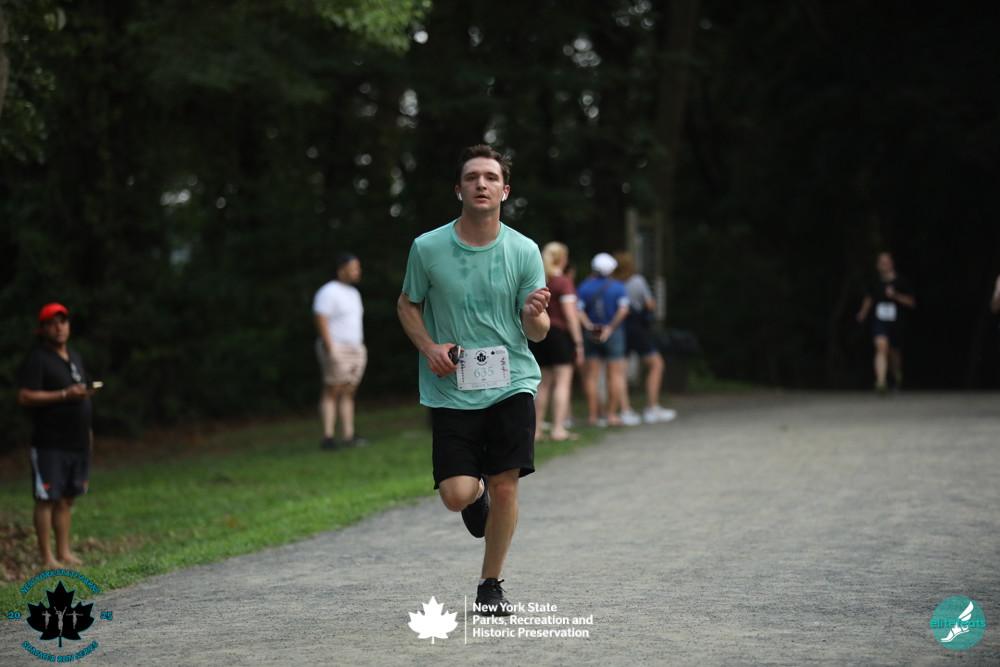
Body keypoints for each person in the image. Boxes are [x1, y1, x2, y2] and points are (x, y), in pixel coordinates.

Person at [396, 144, 550, 616]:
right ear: (458, 190)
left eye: (490, 177)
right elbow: (407, 304)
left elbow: (538, 333)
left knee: (506, 486)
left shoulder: (523, 250)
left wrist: (533, 314)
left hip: (511, 381)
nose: (481, 184)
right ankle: (476, 494)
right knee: (456, 494)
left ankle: (490, 585)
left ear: (505, 190)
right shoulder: (427, 248)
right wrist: (429, 347)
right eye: (471, 177)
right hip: (452, 385)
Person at [17, 303, 97, 569]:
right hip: (50, 442)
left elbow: (81, 392)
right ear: (42, 329)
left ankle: (64, 552)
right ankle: (47, 557)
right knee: (47, 498)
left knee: (66, 498)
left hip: (77, 441)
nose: (59, 327)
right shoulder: (37, 359)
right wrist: (63, 394)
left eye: (63, 322)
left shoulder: (74, 356)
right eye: (52, 323)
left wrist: (87, 429)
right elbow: (25, 396)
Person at [612, 252, 677, 424]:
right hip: (637, 327)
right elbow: (649, 304)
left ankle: (625, 410)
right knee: (656, 364)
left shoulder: (612, 282)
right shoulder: (637, 281)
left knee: (620, 371)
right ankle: (652, 407)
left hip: (618, 328)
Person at [529, 242, 584, 441]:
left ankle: (536, 430)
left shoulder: (541, 280)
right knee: (563, 381)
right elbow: (570, 315)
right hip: (559, 335)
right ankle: (558, 429)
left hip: (540, 334)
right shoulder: (563, 282)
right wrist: (578, 343)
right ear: (563, 259)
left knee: (542, 383)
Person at [576, 253, 637, 426]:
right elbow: (624, 309)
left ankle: (593, 416)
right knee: (615, 375)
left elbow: (578, 309)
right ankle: (611, 414)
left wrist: (589, 326)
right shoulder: (618, 286)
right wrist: (610, 327)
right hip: (613, 333)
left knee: (591, 377)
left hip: (592, 333)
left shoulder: (584, 286)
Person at [313, 252, 367, 449]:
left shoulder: (354, 293)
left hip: (355, 348)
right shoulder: (329, 291)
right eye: (353, 268)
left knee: (349, 391)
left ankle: (348, 435)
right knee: (332, 390)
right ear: (341, 270)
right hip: (337, 348)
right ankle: (327, 437)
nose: (357, 271)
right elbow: (321, 318)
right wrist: (330, 348)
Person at [855, 252, 916, 394]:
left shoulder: (901, 281)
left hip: (897, 322)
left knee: (894, 352)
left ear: (892, 264)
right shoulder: (875, 282)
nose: (884, 265)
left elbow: (912, 302)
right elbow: (869, 298)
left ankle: (896, 375)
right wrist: (863, 312)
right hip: (879, 320)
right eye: (881, 262)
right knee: (881, 347)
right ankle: (881, 381)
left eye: (886, 262)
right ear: (877, 265)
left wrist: (895, 295)